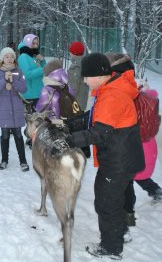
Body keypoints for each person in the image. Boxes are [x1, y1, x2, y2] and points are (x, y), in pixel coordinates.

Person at [58, 53, 145, 259]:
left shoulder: (112, 95)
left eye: (86, 77)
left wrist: (68, 141)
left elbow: (98, 133)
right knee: (114, 199)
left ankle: (111, 248)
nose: (85, 81)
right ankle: (120, 233)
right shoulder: (109, 89)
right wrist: (69, 125)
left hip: (118, 160)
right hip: (122, 157)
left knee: (107, 203)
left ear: (98, 74)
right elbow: (92, 117)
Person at [105, 53, 162, 226]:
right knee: (137, 176)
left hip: (132, 146)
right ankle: (155, 192)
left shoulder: (126, 96)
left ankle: (127, 214)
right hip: (147, 144)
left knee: (128, 179)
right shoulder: (147, 100)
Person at [0, 47, 29, 171]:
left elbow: (24, 88)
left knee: (18, 134)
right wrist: (4, 80)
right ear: (2, 58)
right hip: (3, 107)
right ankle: (4, 160)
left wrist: (13, 82)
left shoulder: (19, 71)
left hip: (16, 107)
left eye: (12, 56)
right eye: (6, 56)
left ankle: (23, 161)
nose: (9, 59)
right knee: (5, 135)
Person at [18, 34, 46, 148]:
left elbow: (45, 69)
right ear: (27, 43)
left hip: (38, 92)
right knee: (32, 119)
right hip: (29, 93)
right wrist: (41, 69)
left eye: (36, 43)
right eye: (33, 43)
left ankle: (34, 138)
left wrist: (43, 61)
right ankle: (30, 139)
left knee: (38, 118)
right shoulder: (24, 57)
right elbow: (27, 75)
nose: (35, 45)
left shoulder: (33, 56)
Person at [67, 41, 89, 110]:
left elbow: (72, 87)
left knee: (74, 120)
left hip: (75, 103)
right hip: (82, 101)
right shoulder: (85, 64)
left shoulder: (75, 67)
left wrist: (66, 99)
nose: (69, 53)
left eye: (70, 51)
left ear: (74, 53)